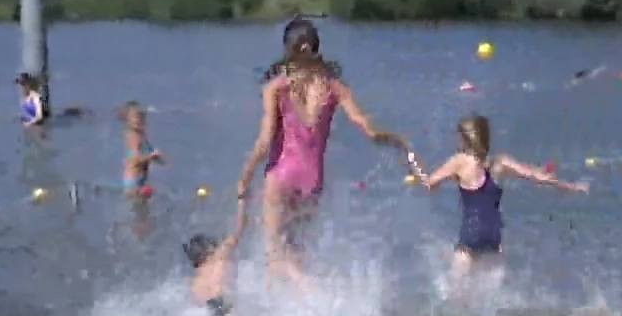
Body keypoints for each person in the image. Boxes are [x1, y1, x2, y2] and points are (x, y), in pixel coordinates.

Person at [233, 18, 416, 277]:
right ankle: (307, 305)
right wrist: (399, 141)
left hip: (281, 175)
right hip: (312, 181)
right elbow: (369, 129)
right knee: (295, 251)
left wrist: (245, 177)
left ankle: (309, 297)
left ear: (290, 49)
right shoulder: (335, 88)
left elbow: (264, 142)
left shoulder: (276, 88)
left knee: (274, 256)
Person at [422, 114, 587, 277]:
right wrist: (568, 186)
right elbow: (536, 176)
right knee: (490, 298)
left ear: (465, 139)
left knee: (454, 295)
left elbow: (430, 184)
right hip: (493, 237)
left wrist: (417, 170)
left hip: (470, 234)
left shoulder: (458, 161)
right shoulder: (500, 162)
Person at [184, 230, 239, 316]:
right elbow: (230, 241)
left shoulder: (193, 283)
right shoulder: (219, 261)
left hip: (206, 310)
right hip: (221, 301)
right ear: (209, 253)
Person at [119, 101, 160, 191]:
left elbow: (150, 151)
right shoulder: (132, 136)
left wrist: (158, 159)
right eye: (136, 117)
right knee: (134, 202)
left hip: (141, 179)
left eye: (142, 117)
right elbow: (135, 158)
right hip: (132, 180)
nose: (140, 120)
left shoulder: (141, 136)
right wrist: (150, 157)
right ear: (127, 120)